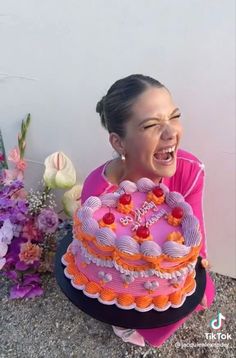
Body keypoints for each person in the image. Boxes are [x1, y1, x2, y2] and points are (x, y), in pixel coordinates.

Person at [80, 74, 215, 347]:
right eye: (152, 125)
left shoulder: (189, 170)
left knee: (202, 294)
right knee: (129, 306)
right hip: (124, 283)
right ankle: (126, 324)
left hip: (167, 278)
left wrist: (197, 268)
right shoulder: (99, 195)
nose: (171, 133)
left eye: (174, 117)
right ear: (119, 143)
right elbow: (104, 259)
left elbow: (193, 230)